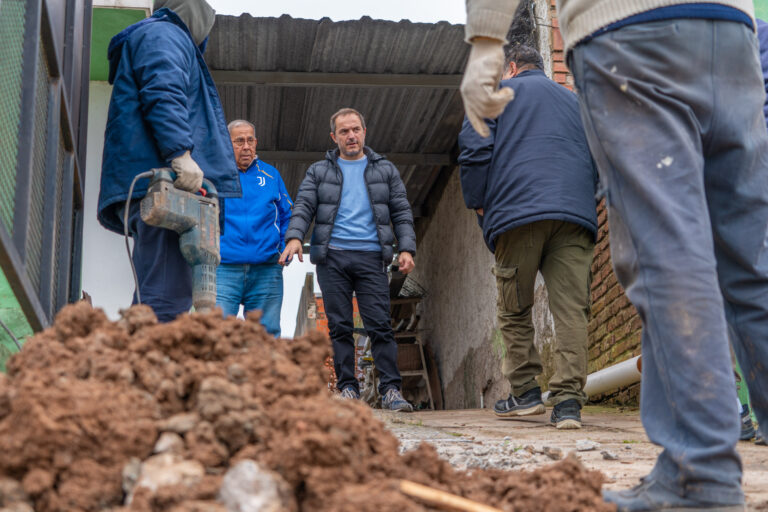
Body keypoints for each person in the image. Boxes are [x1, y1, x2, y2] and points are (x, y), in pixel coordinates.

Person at [463, 0, 768, 510]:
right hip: (729, 28)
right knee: (750, 259)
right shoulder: (563, 99)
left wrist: (485, 43)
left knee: (668, 256)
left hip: (630, 33)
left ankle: (700, 477)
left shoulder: (506, 89)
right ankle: (568, 400)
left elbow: (474, 154)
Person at [458, 44, 597, 430]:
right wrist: (587, 199)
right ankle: (568, 403)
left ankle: (525, 393)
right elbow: (601, 156)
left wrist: (479, 202)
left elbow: (473, 151)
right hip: (574, 217)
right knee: (572, 311)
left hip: (517, 215)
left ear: (512, 68)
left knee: (513, 307)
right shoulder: (576, 103)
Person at [98, 0, 241, 322]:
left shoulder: (162, 36)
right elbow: (163, 91)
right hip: (167, 184)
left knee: (156, 295)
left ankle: (137, 365)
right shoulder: (166, 34)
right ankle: (151, 369)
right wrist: (180, 153)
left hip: (160, 183)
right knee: (165, 298)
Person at [279, 108, 416, 412]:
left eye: (355, 130)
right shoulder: (319, 171)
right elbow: (303, 206)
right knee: (339, 326)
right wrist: (294, 237)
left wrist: (406, 249)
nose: (351, 136)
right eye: (344, 131)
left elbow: (401, 212)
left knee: (379, 325)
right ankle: (348, 389)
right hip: (332, 258)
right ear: (334, 137)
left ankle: (391, 390)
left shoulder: (385, 170)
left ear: (364, 132)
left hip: (371, 257)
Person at [216, 120, 292, 336]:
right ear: (226, 143)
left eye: (250, 140)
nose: (246, 146)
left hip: (266, 269)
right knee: (216, 336)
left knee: (266, 336)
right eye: (239, 141)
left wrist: (284, 246)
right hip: (223, 269)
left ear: (256, 142)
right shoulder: (213, 175)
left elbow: (288, 214)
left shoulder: (271, 175)